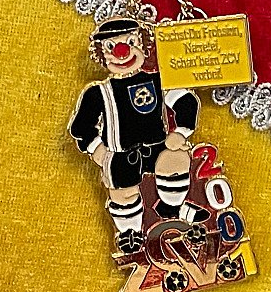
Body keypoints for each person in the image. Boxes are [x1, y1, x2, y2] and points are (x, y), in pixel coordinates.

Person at [69, 16, 204, 255]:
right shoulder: (99, 92)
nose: (122, 52)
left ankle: (172, 207)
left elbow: (186, 102)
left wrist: (181, 132)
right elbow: (81, 125)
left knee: (175, 159)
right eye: (111, 47)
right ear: (101, 54)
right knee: (122, 192)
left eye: (131, 42)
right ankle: (129, 232)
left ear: (143, 44)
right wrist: (96, 148)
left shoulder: (157, 81)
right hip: (121, 153)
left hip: (157, 145)